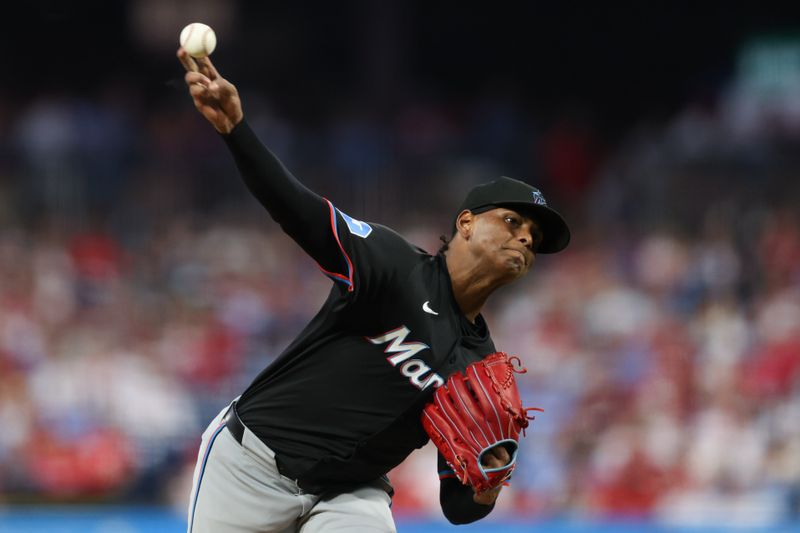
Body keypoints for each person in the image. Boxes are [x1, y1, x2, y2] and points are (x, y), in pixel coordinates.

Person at [177, 47, 570, 533]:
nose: (527, 238)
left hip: (349, 494)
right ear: (465, 223)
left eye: (536, 239)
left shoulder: (481, 369)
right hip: (251, 466)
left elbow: (457, 506)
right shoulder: (391, 263)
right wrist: (237, 132)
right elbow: (297, 210)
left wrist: (485, 487)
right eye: (513, 222)